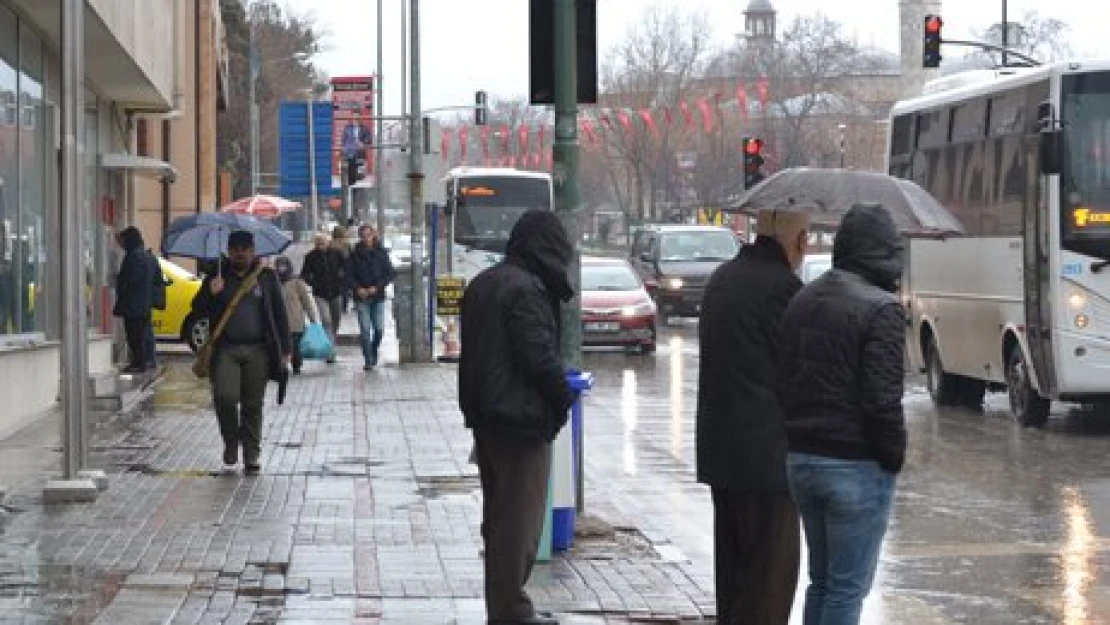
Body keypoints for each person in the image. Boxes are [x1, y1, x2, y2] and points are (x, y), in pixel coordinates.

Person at [778, 204, 907, 625]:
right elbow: (882, 401)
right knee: (848, 590)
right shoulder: (882, 309)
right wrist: (892, 457)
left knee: (822, 582)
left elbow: (784, 379)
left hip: (801, 459)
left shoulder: (803, 298)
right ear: (887, 251)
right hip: (855, 464)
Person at [458, 210, 574, 625]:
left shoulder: (486, 283)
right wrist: (562, 397)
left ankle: (504, 606)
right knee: (518, 524)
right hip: (520, 420)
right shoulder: (526, 290)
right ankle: (510, 610)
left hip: (488, 418)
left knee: (500, 517)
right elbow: (537, 356)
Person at [695, 208, 810, 625]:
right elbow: (798, 371)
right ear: (796, 242)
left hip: (722, 454)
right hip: (768, 460)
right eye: (807, 237)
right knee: (769, 581)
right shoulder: (784, 289)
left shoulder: (722, 279)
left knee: (734, 575)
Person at [191, 231, 292, 475]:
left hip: (258, 350)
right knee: (225, 397)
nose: (240, 253)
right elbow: (197, 310)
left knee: (252, 403)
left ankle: (251, 453)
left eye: (245, 248)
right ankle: (231, 441)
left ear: (253, 250)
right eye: (235, 248)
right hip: (226, 349)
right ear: (228, 250)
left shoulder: (266, 278)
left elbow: (280, 315)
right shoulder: (217, 277)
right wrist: (210, 294)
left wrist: (286, 351)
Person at [347, 224, 395, 370]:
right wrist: (357, 288)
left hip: (378, 296)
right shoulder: (354, 254)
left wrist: (377, 287)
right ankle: (368, 359)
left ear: (373, 235)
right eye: (363, 236)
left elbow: (390, 274)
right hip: (361, 297)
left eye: (368, 235)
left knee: (379, 329)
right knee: (365, 329)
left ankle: (374, 350)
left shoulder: (381, 253)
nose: (366, 238)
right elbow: (348, 275)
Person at [113, 226, 154, 374]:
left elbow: (133, 279)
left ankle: (138, 363)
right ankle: (139, 362)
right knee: (137, 336)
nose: (121, 244)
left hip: (134, 305)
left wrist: (120, 279)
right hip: (140, 304)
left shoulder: (135, 256)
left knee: (134, 335)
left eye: (123, 240)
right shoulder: (142, 255)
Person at [301, 233, 345, 364]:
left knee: (336, 320)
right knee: (326, 320)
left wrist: (341, 280)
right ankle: (330, 353)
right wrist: (313, 283)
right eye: (318, 243)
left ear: (328, 242)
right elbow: (305, 274)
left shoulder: (337, 254)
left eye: (323, 242)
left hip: (336, 292)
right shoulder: (310, 256)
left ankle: (331, 338)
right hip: (320, 294)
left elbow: (345, 268)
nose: (321, 245)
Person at [274, 256, 318, 375]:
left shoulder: (297, 282)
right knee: (281, 345)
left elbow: (306, 301)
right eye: (279, 266)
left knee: (295, 346)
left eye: (283, 266)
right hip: (279, 322)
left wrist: (312, 318)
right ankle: (281, 364)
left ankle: (296, 364)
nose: (281, 268)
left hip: (295, 321)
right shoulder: (273, 281)